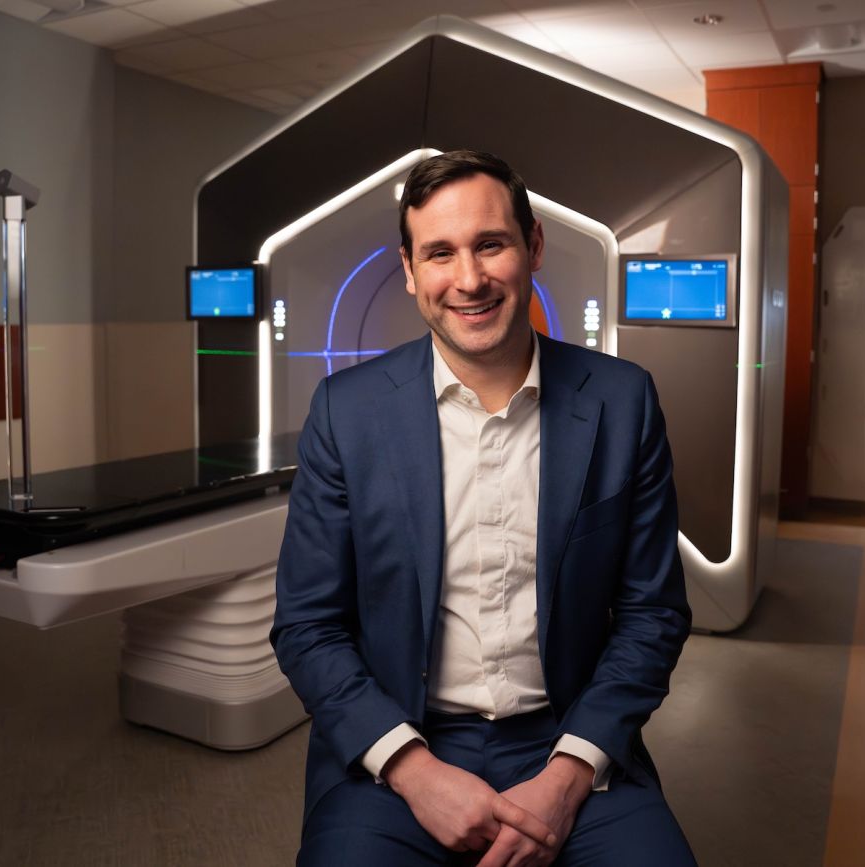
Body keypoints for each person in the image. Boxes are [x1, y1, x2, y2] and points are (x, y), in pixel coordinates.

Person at [271, 149, 697, 866]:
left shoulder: (623, 403)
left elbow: (653, 613)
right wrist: (414, 769)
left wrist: (567, 776)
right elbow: (308, 624)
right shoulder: (347, 413)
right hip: (402, 742)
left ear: (532, 246)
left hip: (569, 737)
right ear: (409, 272)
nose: (468, 279)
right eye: (439, 253)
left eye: (490, 244)